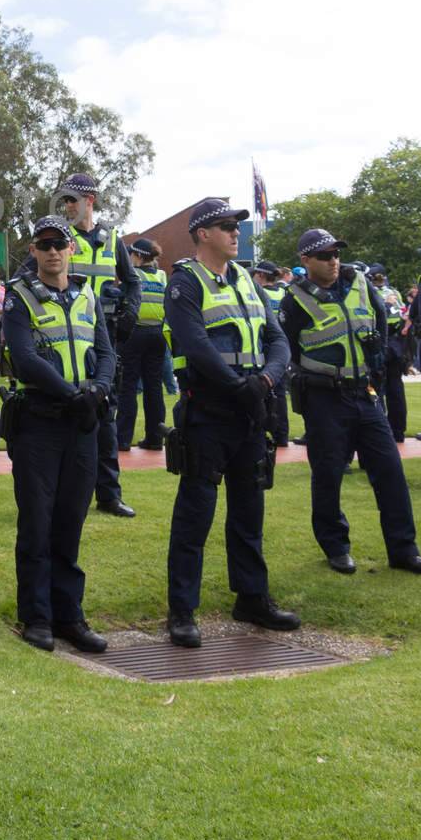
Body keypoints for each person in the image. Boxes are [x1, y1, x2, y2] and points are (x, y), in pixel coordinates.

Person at [164, 198, 299, 648]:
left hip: (251, 410)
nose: (234, 232)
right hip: (209, 414)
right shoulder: (184, 281)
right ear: (203, 233)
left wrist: (264, 380)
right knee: (195, 515)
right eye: (226, 225)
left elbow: (277, 339)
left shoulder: (246, 278)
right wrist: (237, 386)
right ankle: (182, 610)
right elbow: (195, 344)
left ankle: (252, 598)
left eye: (235, 225)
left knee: (249, 511)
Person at [2, 215, 116, 654]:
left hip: (82, 422)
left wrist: (99, 390)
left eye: (59, 243)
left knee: (71, 519)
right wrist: (73, 394)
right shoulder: (19, 297)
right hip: (40, 421)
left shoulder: (87, 293)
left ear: (71, 248)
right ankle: (36, 616)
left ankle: (70, 615)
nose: (52, 251)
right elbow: (25, 358)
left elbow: (106, 351)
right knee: (37, 520)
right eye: (44, 244)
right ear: (33, 250)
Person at [280, 231, 421, 575]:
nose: (332, 260)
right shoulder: (294, 299)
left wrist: (376, 366)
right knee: (328, 476)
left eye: (335, 253)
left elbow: (380, 325)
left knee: (390, 472)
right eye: (324, 255)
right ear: (305, 261)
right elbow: (288, 349)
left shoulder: (359, 283)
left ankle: (404, 550)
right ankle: (336, 547)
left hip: (365, 394)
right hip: (323, 398)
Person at [54, 173, 140, 517]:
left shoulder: (112, 238)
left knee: (106, 415)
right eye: (65, 201)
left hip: (105, 340)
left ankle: (109, 494)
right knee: (68, 410)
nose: (68, 206)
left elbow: (132, 282)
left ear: (91, 200)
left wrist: (130, 312)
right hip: (71, 336)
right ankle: (67, 490)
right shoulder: (59, 238)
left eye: (73, 199)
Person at [116, 237, 167, 451]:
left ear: (137, 256)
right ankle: (155, 437)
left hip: (135, 333)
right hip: (158, 334)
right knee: (154, 387)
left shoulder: (133, 276)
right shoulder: (163, 276)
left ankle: (123, 439)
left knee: (128, 386)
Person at [367, 263, 409, 443]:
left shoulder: (371, 294)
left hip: (382, 341)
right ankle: (398, 431)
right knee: (396, 388)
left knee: (377, 388)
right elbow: (401, 315)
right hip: (396, 342)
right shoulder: (395, 293)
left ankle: (382, 432)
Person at [252, 260, 290, 446]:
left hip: (266, 346)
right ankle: (282, 434)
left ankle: (267, 429)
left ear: (260, 275)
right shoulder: (284, 292)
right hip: (282, 348)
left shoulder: (258, 293)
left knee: (266, 390)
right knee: (280, 393)